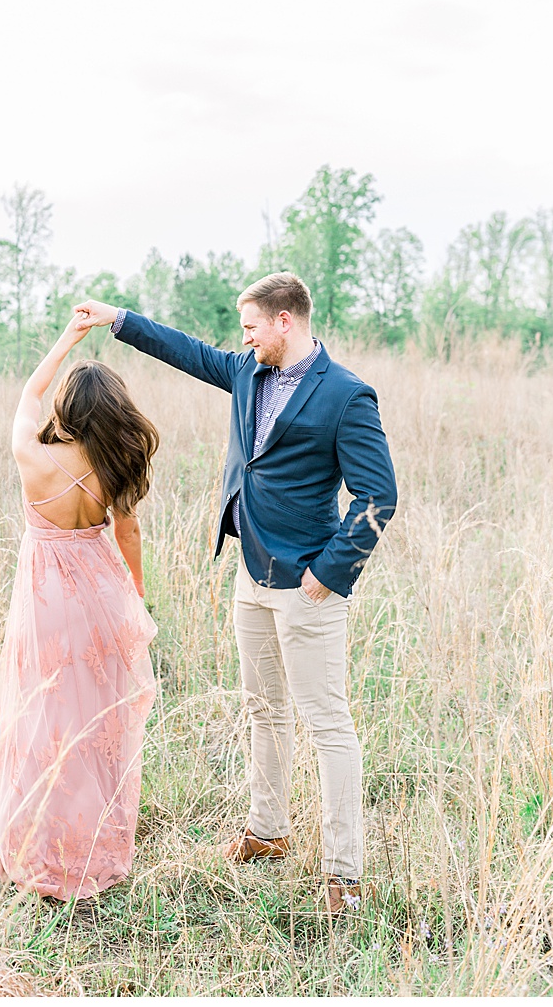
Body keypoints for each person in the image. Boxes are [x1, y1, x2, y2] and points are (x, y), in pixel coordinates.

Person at [74, 271, 397, 915]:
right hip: (250, 572)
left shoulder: (347, 396)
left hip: (309, 587)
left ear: (286, 321)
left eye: (251, 326)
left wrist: (326, 576)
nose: (243, 339)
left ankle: (343, 873)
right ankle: (268, 830)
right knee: (262, 709)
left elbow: (377, 497)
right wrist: (119, 318)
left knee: (327, 725)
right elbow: (189, 352)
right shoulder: (249, 371)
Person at [0, 312, 161, 900]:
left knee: (42, 720)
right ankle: (94, 844)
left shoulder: (31, 455)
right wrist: (134, 596)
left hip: (47, 602)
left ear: (68, 410)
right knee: (96, 724)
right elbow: (128, 534)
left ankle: (41, 847)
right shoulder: (114, 465)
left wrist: (68, 340)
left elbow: (31, 392)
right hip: (102, 592)